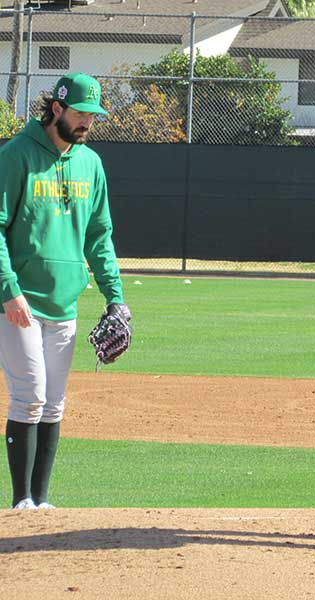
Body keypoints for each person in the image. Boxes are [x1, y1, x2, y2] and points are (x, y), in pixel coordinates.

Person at [1, 73, 127, 510]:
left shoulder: (90, 163)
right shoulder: (16, 156)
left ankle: (41, 502)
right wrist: (8, 290)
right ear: (56, 108)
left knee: (54, 403)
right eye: (81, 112)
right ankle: (21, 502)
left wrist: (116, 296)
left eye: (94, 114)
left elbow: (100, 234)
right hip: (19, 303)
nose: (88, 121)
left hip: (65, 301)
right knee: (30, 394)